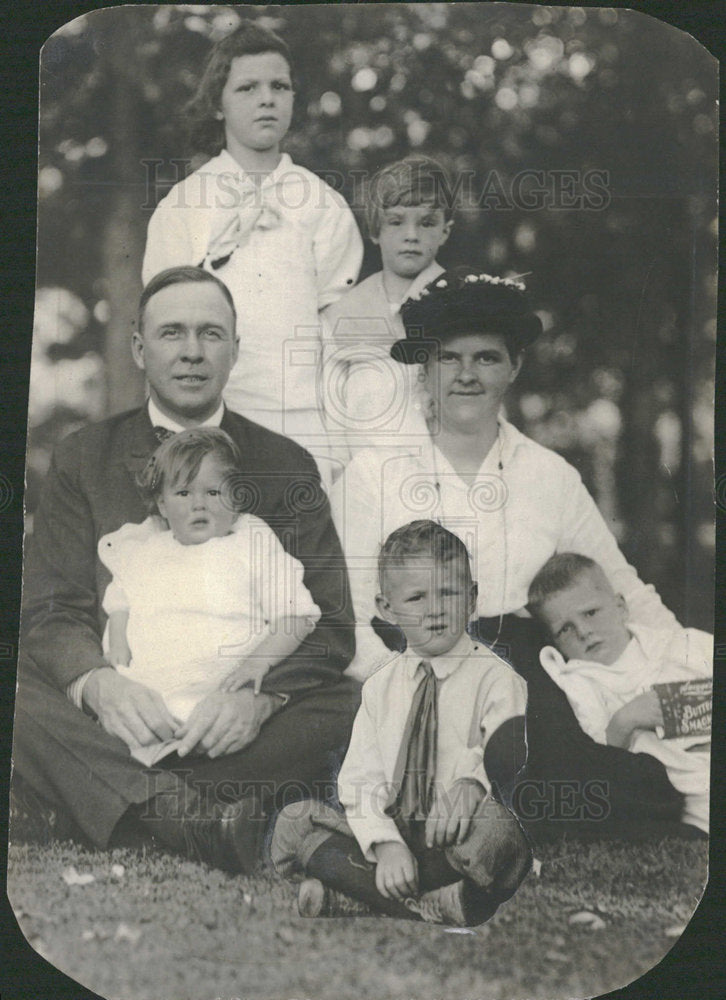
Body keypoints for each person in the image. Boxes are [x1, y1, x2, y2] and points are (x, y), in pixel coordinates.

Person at [12, 266, 359, 873]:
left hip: (234, 726)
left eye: (211, 334)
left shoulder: (285, 465)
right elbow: (50, 610)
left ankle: (101, 798)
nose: (192, 351)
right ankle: (187, 815)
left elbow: (329, 623)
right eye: (172, 333)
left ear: (235, 350)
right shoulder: (84, 458)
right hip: (121, 717)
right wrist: (99, 684)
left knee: (350, 702)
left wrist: (261, 700)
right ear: (139, 349)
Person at [331, 267, 685, 830]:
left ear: (514, 366)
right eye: (449, 358)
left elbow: (620, 586)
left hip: (519, 666)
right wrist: (398, 685)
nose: (467, 374)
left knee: (632, 796)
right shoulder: (373, 473)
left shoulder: (549, 475)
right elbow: (345, 610)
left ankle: (492, 802)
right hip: (413, 656)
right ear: (424, 368)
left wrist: (689, 664)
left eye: (487, 358)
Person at [271, 521, 531, 927]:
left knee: (497, 835)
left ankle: (354, 894)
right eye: (416, 597)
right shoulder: (380, 687)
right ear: (387, 608)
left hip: (455, 837)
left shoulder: (497, 679)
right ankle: (436, 903)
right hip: (394, 831)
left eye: (448, 592)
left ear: (472, 598)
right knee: (294, 823)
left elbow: (509, 753)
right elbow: (361, 777)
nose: (435, 609)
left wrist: (471, 784)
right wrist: (386, 844)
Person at [142, 22, 363, 486]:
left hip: (304, 419)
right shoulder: (184, 205)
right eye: (247, 88)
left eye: (279, 86)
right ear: (217, 104)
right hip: (213, 419)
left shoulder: (321, 203)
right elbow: (164, 329)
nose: (266, 99)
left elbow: (340, 329)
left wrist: (341, 435)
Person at [98, 427, 321, 762]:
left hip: (223, 697)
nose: (198, 504)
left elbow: (296, 616)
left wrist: (258, 663)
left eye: (213, 492)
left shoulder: (250, 541)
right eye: (183, 493)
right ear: (162, 504)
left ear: (236, 499)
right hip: (152, 697)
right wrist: (117, 645)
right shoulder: (146, 548)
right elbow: (121, 600)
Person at [527, 553, 711, 834]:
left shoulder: (678, 645)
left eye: (590, 613)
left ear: (621, 607)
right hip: (685, 794)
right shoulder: (581, 684)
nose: (583, 632)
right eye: (565, 629)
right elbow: (602, 762)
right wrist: (625, 720)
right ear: (555, 642)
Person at [321, 156, 452, 462]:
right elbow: (334, 424)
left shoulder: (462, 302)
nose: (411, 235)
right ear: (375, 230)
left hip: (445, 472)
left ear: (445, 231)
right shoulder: (342, 314)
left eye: (427, 223)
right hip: (366, 476)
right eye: (396, 221)